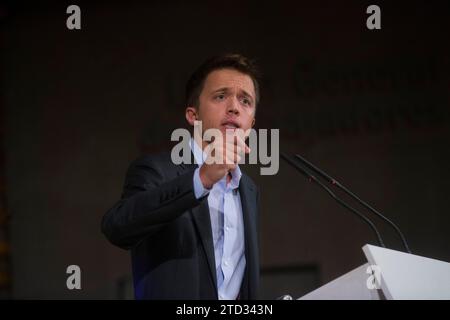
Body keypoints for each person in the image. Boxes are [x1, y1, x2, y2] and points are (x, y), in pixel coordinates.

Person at [102, 54, 261, 300]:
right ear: (193, 115)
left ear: (250, 124)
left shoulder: (248, 189)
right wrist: (201, 179)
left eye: (245, 101)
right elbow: (117, 227)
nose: (234, 107)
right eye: (221, 96)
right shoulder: (156, 170)